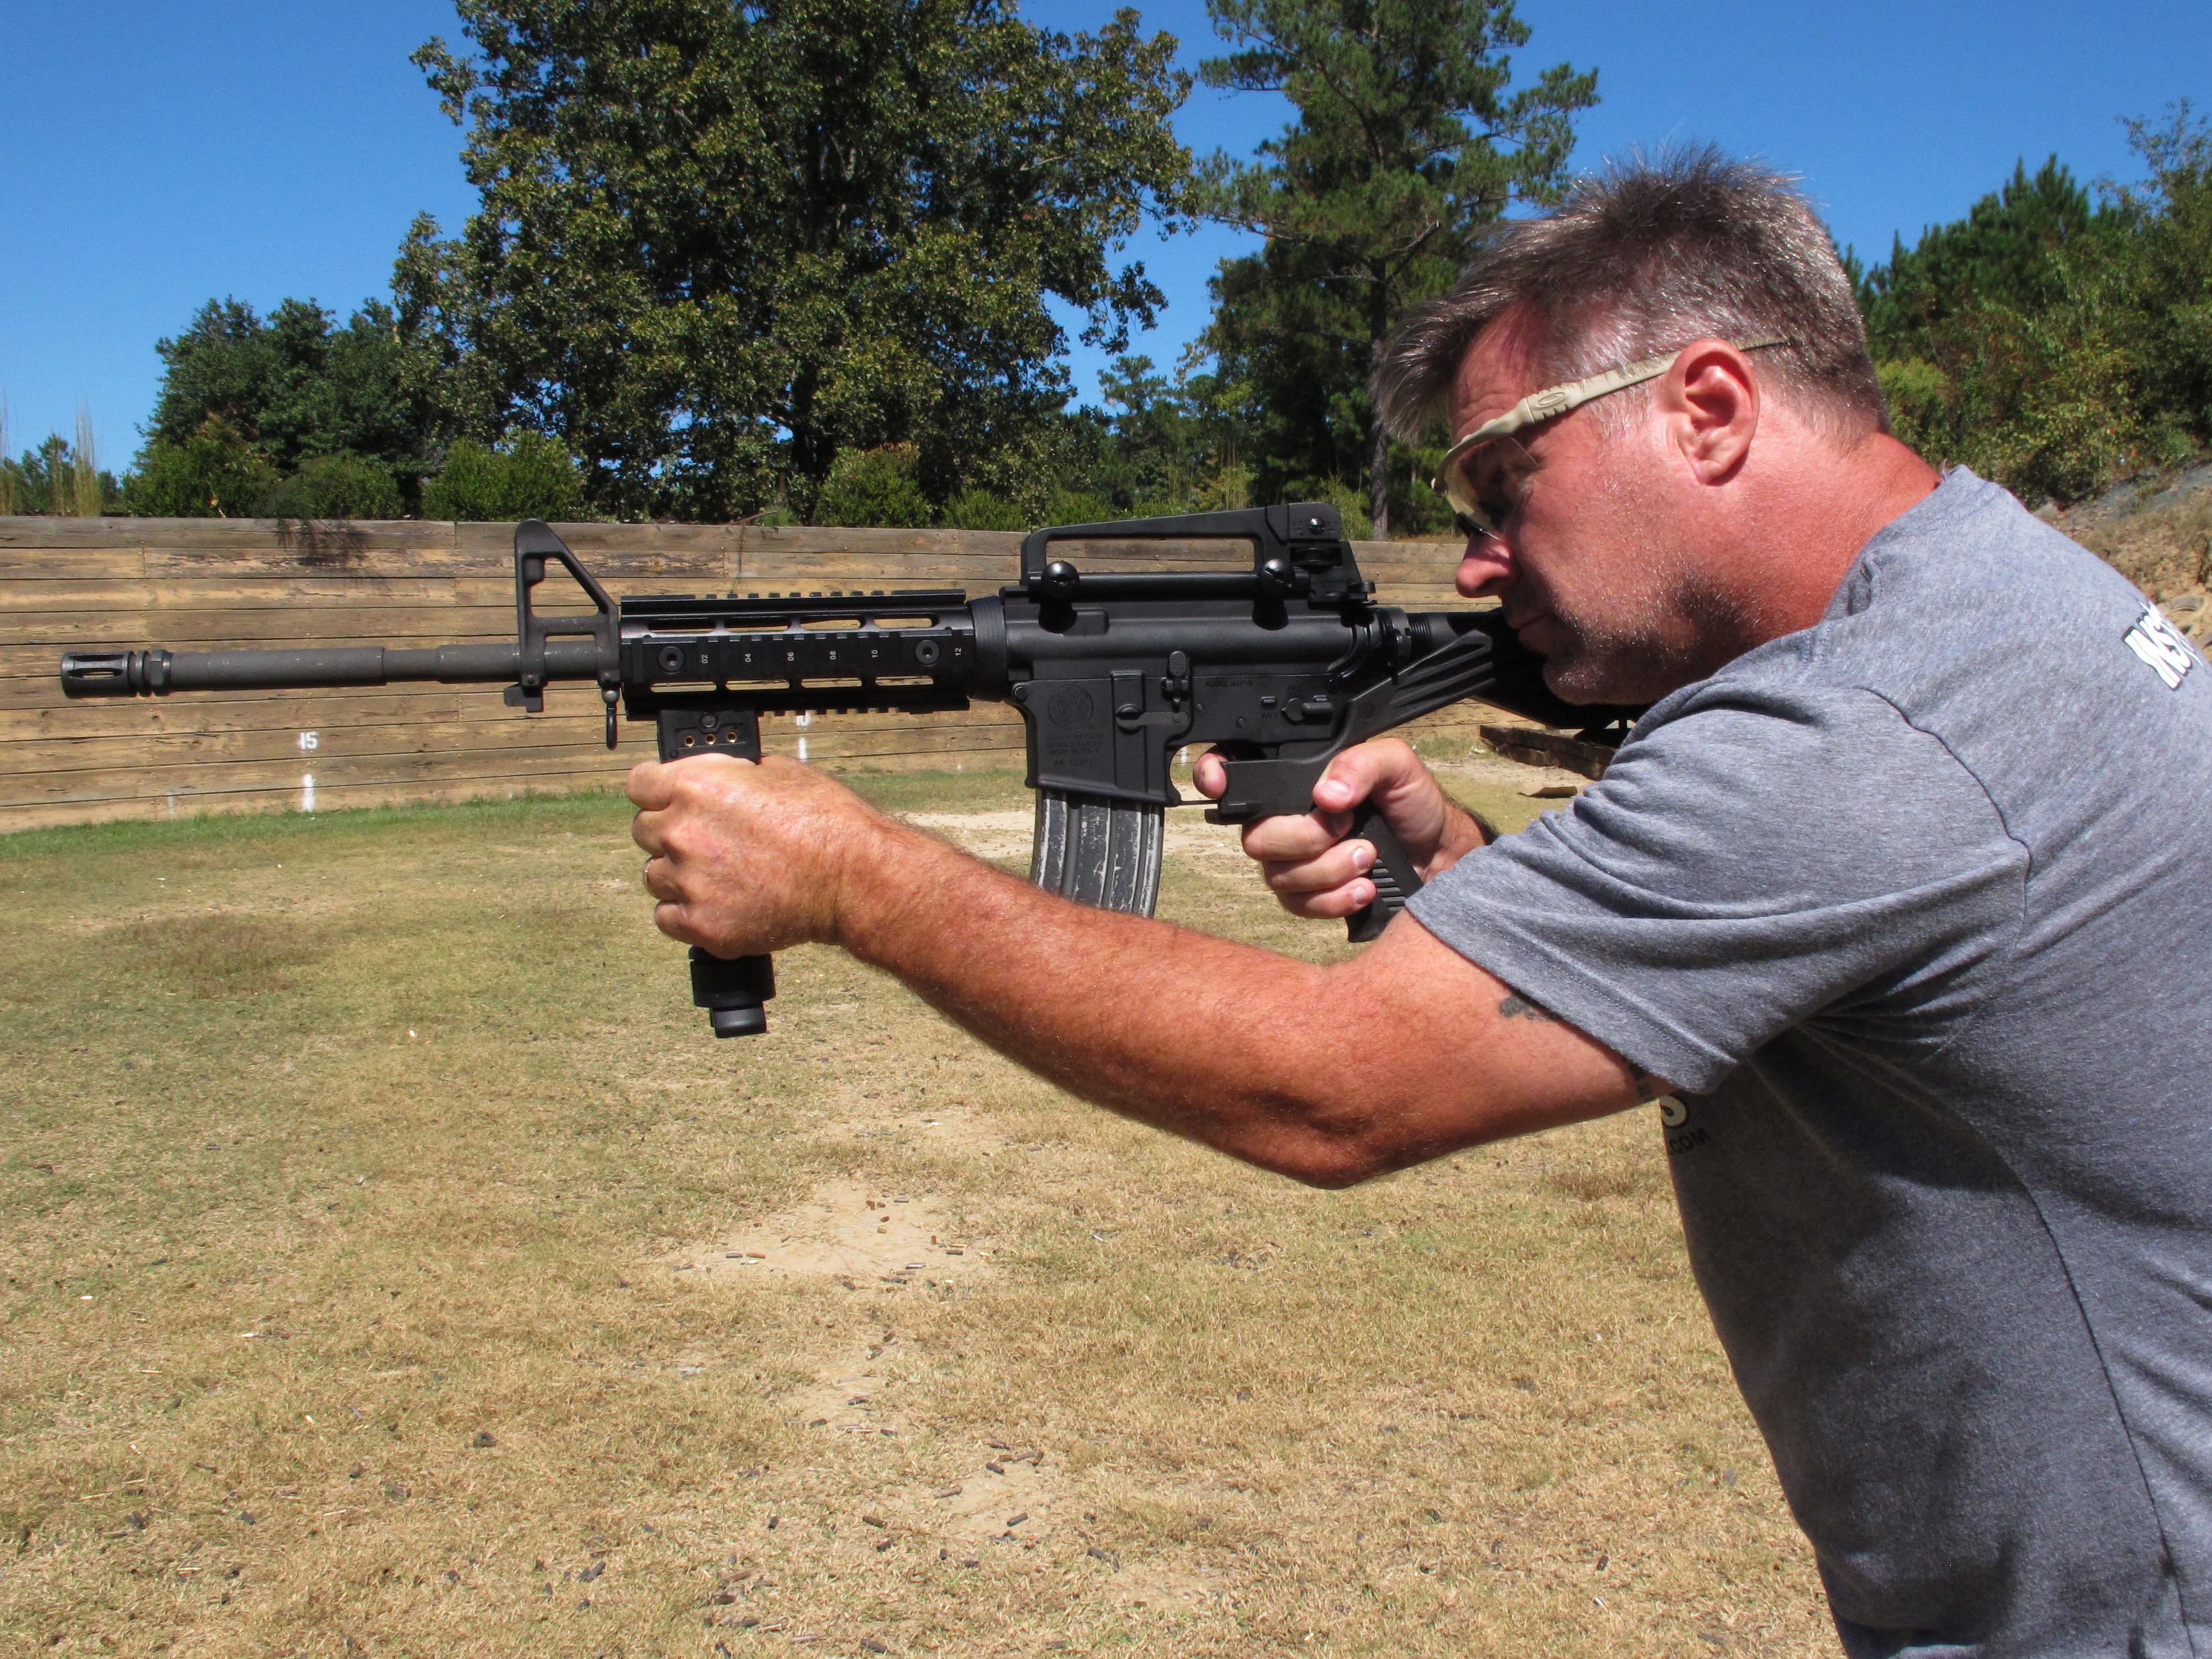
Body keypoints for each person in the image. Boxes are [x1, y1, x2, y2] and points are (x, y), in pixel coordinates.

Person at [629, 150, 2212, 1657]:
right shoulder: (1984, 601)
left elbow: (1336, 1091)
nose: (1472, 566)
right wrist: (1458, 869)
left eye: (1503, 489)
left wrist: (855, 875)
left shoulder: (1864, 722)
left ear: (1708, 408)